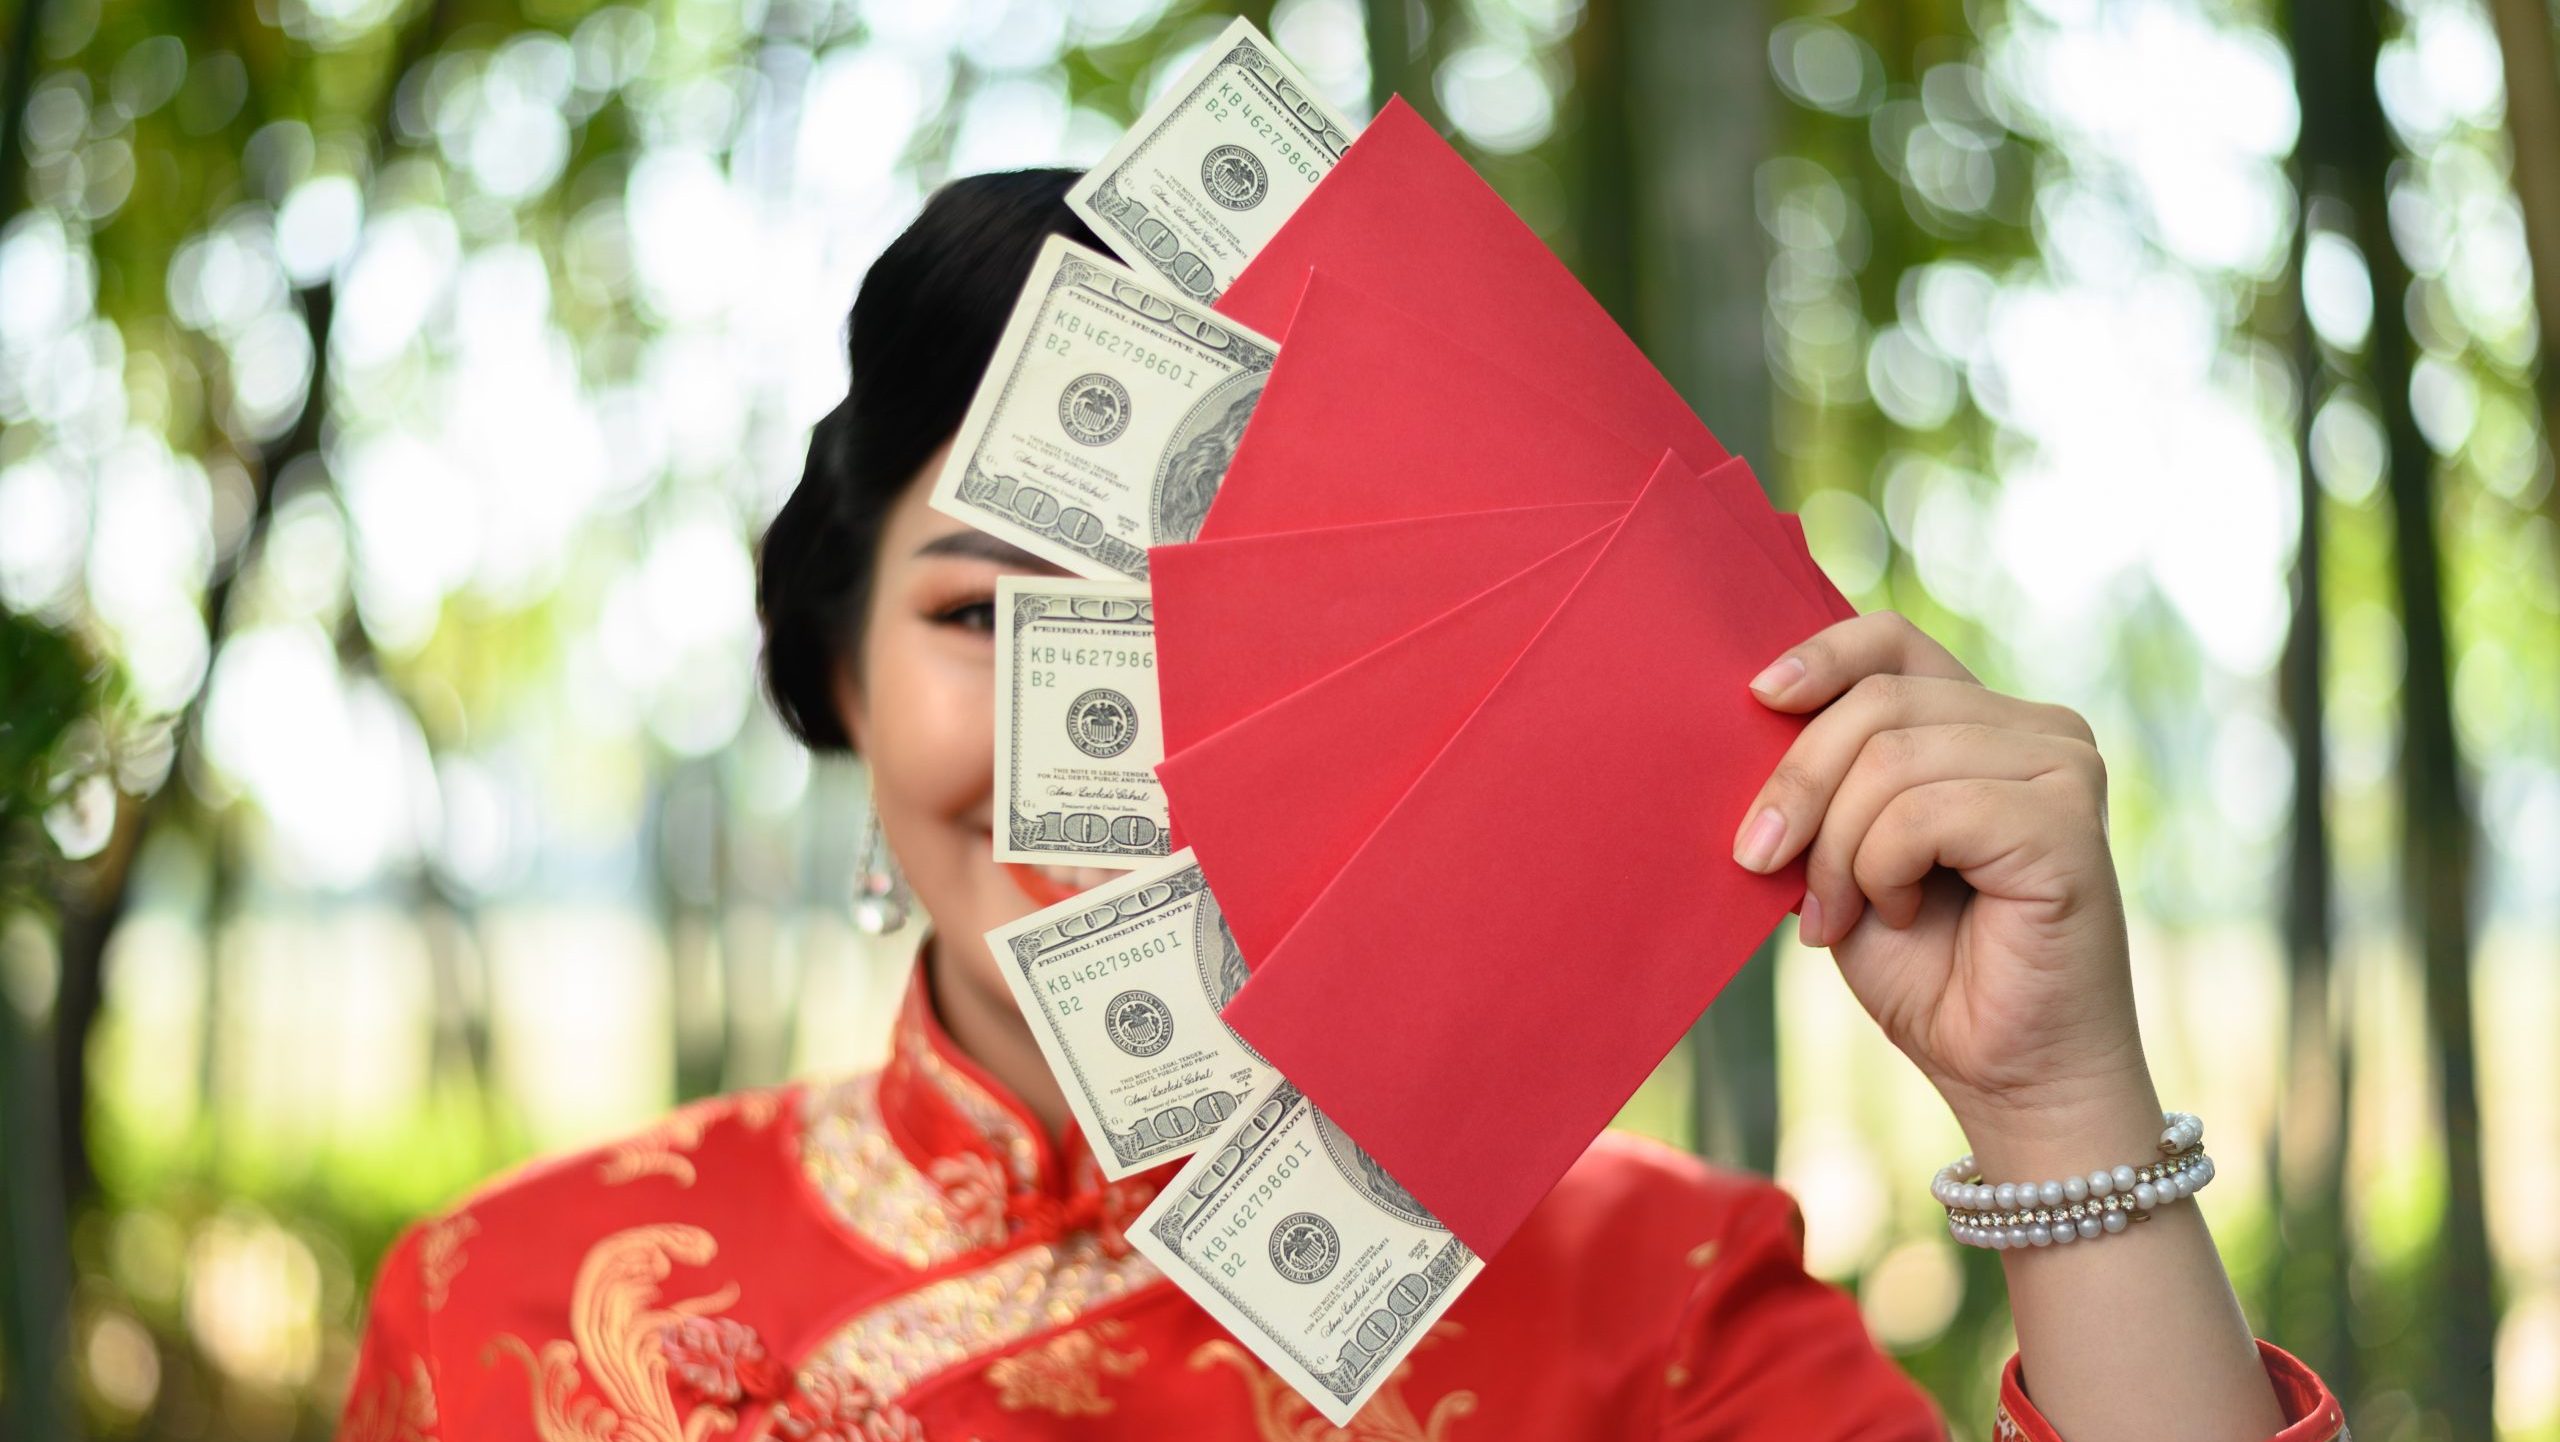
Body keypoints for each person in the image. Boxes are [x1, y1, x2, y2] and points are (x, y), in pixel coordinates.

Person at [338, 170, 2349, 1442]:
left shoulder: (1655, 1305)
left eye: (1204, 606)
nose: (1103, 720)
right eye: (980, 607)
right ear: (834, 673)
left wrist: (2055, 1105)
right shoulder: (494, 1307)